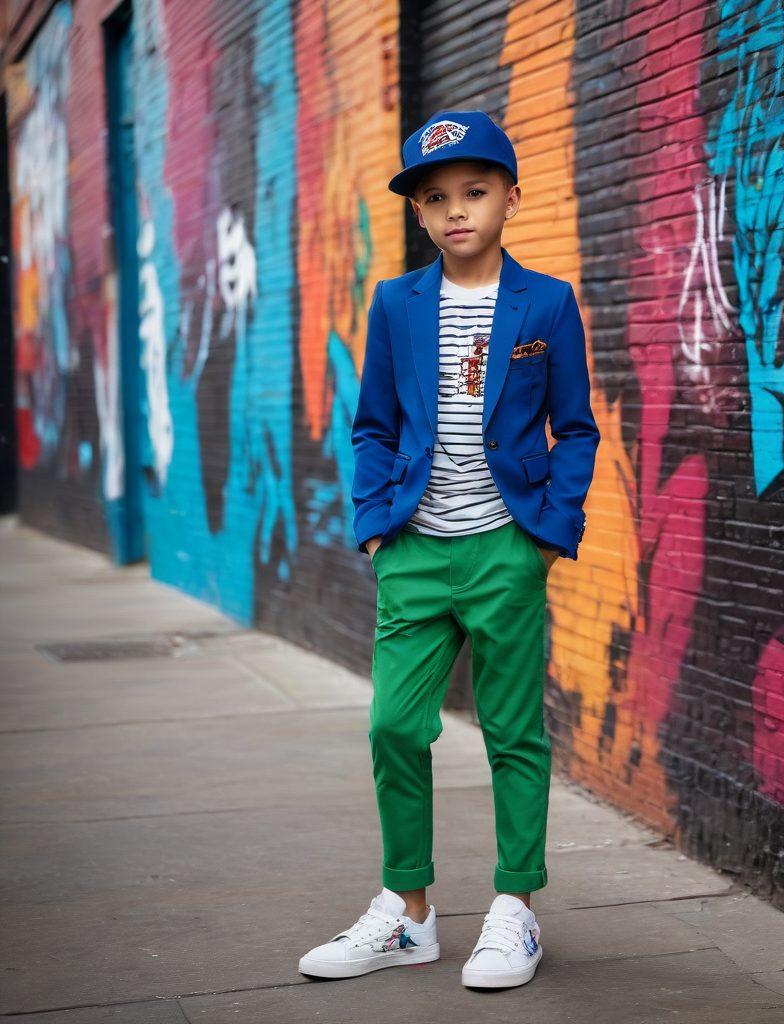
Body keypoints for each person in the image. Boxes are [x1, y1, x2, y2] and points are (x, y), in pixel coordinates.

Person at [299, 109, 599, 989]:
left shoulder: (547, 302)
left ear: (511, 197)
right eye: (436, 198)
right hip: (416, 549)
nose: (457, 209)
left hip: (508, 547)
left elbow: (576, 427)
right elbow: (373, 425)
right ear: (419, 214)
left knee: (513, 732)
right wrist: (376, 529)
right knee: (394, 725)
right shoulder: (397, 303)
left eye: (474, 191)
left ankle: (516, 909)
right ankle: (409, 915)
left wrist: (548, 537)